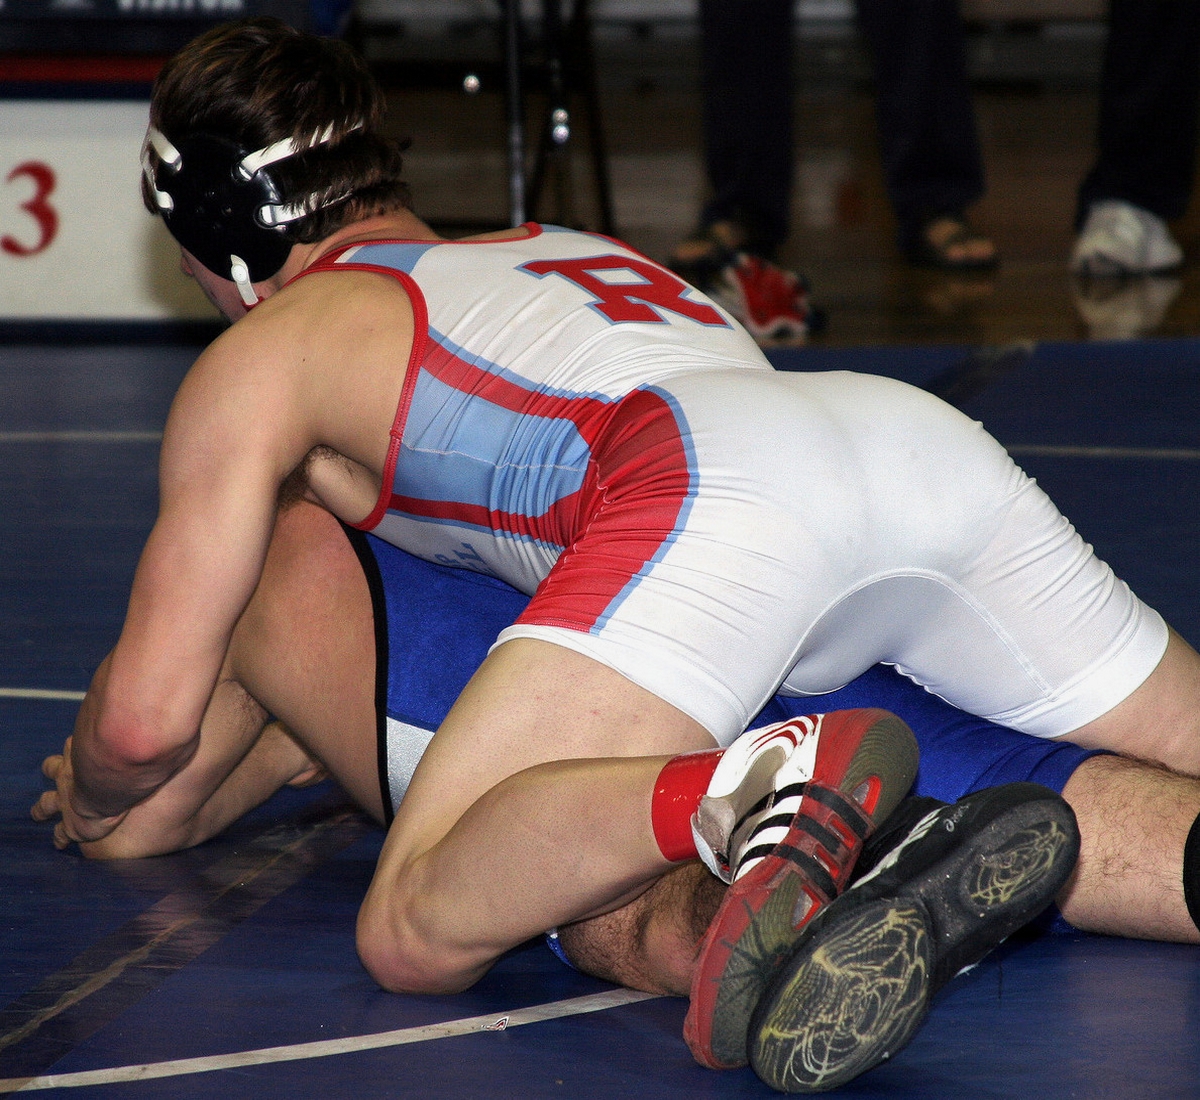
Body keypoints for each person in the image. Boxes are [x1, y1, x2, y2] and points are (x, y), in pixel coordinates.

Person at [27, 16, 1200, 1089]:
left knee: (411, 925)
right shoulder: (561, 251)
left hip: (708, 498)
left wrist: (89, 784)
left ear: (218, 238)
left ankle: (753, 787)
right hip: (912, 446)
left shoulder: (268, 353)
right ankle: (832, 811)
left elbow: (144, 726)